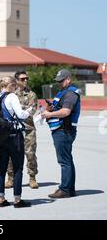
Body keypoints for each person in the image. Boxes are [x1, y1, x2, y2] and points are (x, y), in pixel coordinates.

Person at [0, 76, 33, 208]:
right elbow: (21, 115)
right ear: (11, 85)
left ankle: (1, 199)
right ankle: (17, 199)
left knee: (2, 168)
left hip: (0, 138)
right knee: (17, 168)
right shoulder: (12, 97)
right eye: (15, 86)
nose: (15, 89)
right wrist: (28, 111)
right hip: (14, 137)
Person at [42, 69, 81, 199]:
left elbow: (65, 112)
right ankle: (70, 189)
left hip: (64, 130)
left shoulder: (70, 93)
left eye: (61, 80)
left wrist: (49, 114)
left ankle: (64, 189)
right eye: (58, 81)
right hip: (62, 130)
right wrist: (51, 108)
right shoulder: (64, 92)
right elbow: (60, 108)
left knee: (64, 161)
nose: (59, 83)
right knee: (67, 160)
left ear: (68, 79)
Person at [5, 70, 39, 189]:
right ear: (16, 81)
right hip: (14, 129)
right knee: (11, 154)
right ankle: (10, 178)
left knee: (30, 154)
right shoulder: (11, 95)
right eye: (22, 79)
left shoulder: (32, 94)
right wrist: (23, 109)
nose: (25, 81)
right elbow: (9, 110)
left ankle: (32, 178)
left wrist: (18, 108)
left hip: (28, 129)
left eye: (26, 78)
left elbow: (33, 110)